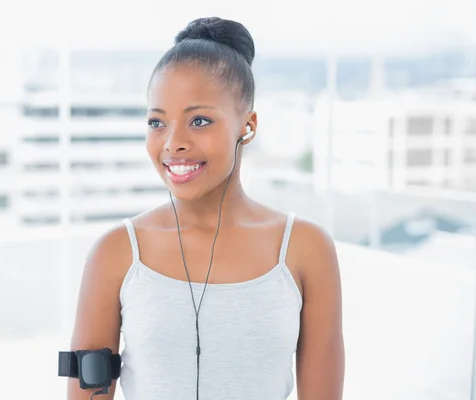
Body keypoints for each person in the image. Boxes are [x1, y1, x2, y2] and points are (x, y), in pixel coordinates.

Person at [68, 17, 345, 400]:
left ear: (247, 126)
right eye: (157, 122)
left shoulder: (306, 249)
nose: (173, 143)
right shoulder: (115, 253)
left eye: (199, 120)